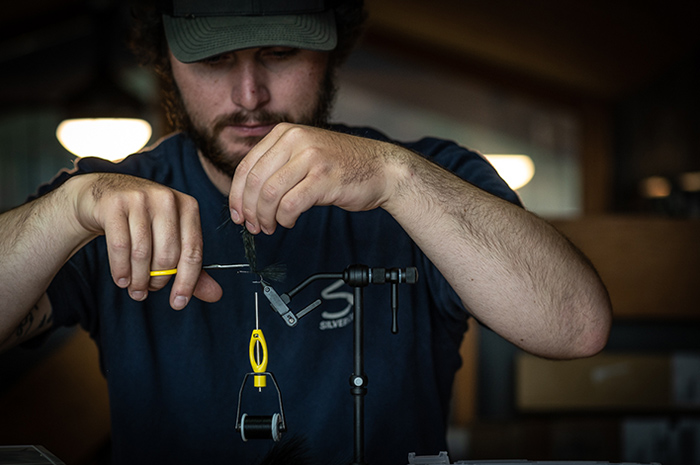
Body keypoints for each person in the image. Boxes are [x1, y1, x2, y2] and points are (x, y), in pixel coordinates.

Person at [0, 0, 612, 464]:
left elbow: (578, 326)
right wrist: (67, 209)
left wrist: (395, 177)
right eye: (214, 59)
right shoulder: (105, 203)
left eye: (280, 53)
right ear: (165, 61)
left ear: (333, 50)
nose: (249, 95)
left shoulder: (432, 178)